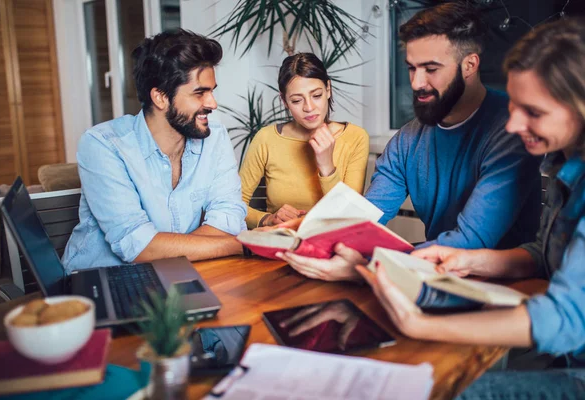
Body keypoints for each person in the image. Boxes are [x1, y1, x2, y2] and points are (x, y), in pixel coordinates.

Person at [357, 18, 585, 399]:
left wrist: (419, 325)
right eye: (513, 105)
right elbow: (547, 255)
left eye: (533, 111)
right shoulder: (563, 165)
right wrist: (472, 260)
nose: (513, 123)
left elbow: (565, 319)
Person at [276, 3, 541, 282]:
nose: (416, 83)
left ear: (470, 65)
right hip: (432, 275)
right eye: (412, 68)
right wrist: (310, 232)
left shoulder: (513, 128)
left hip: (511, 287)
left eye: (431, 68)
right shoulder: (407, 140)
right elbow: (367, 219)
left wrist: (366, 268)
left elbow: (472, 240)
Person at [62, 29, 246, 271]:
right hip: (100, 281)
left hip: (174, 274)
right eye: (200, 93)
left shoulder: (215, 137)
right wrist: (242, 245)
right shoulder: (103, 144)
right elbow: (139, 246)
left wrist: (171, 252)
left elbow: (228, 216)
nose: (212, 103)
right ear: (160, 98)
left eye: (211, 91)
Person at [239, 52, 369, 229]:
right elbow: (233, 205)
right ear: (284, 101)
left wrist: (326, 166)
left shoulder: (355, 137)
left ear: (328, 89)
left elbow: (348, 216)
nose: (309, 107)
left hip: (334, 244)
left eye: (316, 95)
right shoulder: (266, 139)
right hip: (281, 243)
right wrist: (267, 219)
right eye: (297, 100)